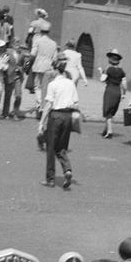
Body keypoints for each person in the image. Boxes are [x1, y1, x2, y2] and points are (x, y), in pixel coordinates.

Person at [39, 60, 80, 190]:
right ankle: (67, 169)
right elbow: (75, 103)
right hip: (67, 117)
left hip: (55, 116)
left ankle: (50, 179)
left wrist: (42, 122)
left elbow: (49, 104)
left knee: (51, 147)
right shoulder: (70, 83)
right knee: (62, 146)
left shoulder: (53, 84)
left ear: (56, 70)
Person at [98, 48, 128, 139]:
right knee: (111, 111)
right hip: (117, 91)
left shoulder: (108, 69)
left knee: (108, 112)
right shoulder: (122, 71)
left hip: (110, 90)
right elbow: (124, 84)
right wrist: (124, 94)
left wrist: (100, 72)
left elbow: (102, 79)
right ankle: (105, 130)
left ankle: (110, 131)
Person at [29, 23, 58, 114]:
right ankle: (44, 105)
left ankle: (39, 104)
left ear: (41, 31)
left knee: (38, 86)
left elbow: (33, 54)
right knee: (46, 87)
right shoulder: (53, 43)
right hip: (48, 67)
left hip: (38, 65)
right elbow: (55, 58)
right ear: (48, 32)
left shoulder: (37, 41)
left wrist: (30, 62)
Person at [1, 42, 25, 120]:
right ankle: (5, 113)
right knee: (8, 95)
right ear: (13, 45)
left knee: (18, 96)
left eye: (19, 43)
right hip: (9, 75)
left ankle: (15, 112)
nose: (18, 45)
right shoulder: (8, 53)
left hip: (18, 77)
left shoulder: (22, 54)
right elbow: (4, 63)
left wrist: (21, 69)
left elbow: (23, 65)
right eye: (16, 43)